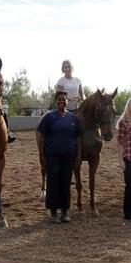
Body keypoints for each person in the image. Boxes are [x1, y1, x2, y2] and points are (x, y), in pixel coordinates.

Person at [37, 91, 81, 223]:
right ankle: (54, 212)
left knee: (66, 183)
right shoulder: (49, 117)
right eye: (59, 99)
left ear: (67, 101)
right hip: (52, 155)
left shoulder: (72, 118)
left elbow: (77, 137)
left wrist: (79, 154)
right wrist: (41, 153)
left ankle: (65, 211)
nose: (62, 101)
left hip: (68, 155)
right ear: (56, 102)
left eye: (64, 99)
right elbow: (41, 135)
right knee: (53, 183)